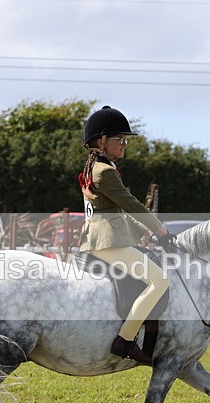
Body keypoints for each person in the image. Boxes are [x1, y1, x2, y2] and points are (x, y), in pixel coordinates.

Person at [78, 106, 171, 365]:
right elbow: (132, 204)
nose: (125, 144)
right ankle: (125, 340)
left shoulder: (98, 168)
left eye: (126, 140)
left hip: (105, 238)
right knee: (160, 280)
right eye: (120, 139)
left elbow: (119, 210)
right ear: (101, 142)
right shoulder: (104, 172)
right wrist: (160, 229)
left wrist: (146, 232)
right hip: (106, 242)